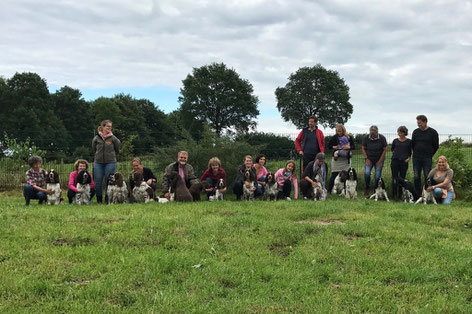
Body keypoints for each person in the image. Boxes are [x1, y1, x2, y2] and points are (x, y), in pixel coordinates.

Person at [92, 120, 121, 204]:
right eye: (107, 126)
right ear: (102, 127)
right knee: (98, 181)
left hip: (110, 162)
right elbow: (94, 149)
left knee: (109, 181)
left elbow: (117, 148)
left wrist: (112, 155)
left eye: (110, 126)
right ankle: (99, 200)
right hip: (98, 163)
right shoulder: (96, 138)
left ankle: (108, 200)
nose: (109, 128)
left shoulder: (113, 138)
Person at [412, 115, 439, 196]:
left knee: (427, 176)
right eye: (417, 123)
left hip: (427, 158)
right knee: (416, 176)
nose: (418, 125)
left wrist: (430, 154)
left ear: (425, 122)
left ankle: (427, 194)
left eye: (420, 123)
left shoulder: (433, 132)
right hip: (416, 158)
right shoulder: (415, 132)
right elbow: (413, 144)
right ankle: (418, 194)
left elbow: (436, 146)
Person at [327, 124, 356, 193]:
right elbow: (328, 146)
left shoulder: (349, 137)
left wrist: (348, 147)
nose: (338, 133)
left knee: (346, 175)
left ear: (343, 130)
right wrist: (334, 147)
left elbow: (353, 146)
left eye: (340, 131)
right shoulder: (335, 137)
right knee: (334, 174)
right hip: (337, 159)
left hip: (345, 159)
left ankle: (346, 190)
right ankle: (329, 190)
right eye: (337, 131)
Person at [362, 125, 387, 196]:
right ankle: (367, 188)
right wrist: (366, 158)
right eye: (371, 134)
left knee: (377, 176)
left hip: (379, 159)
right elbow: (363, 148)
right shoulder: (366, 138)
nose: (372, 136)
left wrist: (380, 161)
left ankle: (376, 190)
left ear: (377, 132)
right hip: (369, 159)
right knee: (367, 173)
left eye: (374, 134)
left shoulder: (382, 138)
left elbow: (385, 149)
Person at [391, 126, 412, 201]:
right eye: (398, 132)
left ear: (404, 133)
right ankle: (394, 195)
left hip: (404, 162)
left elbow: (410, 152)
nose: (399, 133)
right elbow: (392, 149)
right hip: (395, 161)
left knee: (402, 179)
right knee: (394, 178)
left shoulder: (409, 141)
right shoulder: (395, 141)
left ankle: (400, 195)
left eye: (401, 132)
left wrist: (408, 158)